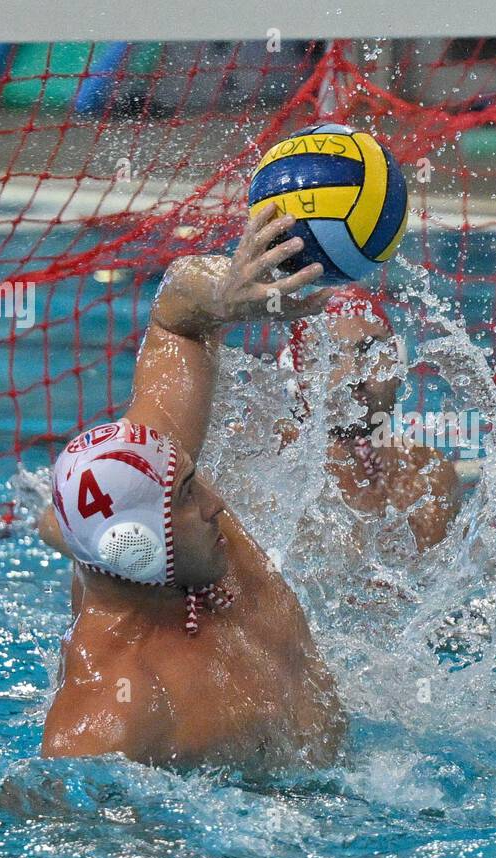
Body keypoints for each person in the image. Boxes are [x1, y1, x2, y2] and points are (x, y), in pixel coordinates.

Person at [35, 204, 347, 772]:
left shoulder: (148, 468)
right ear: (138, 545)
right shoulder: (111, 715)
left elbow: (176, 313)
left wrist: (225, 292)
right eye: (187, 494)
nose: (216, 504)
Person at [278, 295, 461, 552]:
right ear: (297, 381)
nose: (354, 373)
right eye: (330, 356)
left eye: (369, 350)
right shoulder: (277, 469)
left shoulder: (429, 476)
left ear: (399, 365)